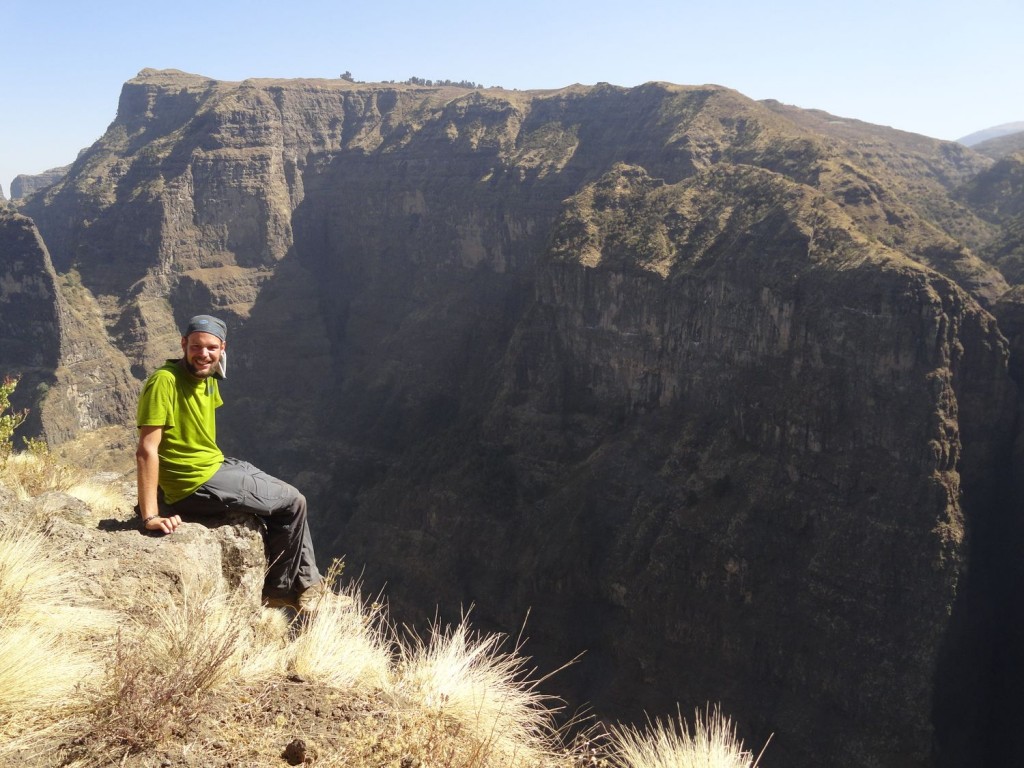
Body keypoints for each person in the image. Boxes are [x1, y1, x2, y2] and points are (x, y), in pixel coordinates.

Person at [135, 314, 329, 612]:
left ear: (223, 348)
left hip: (214, 463)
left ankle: (309, 584)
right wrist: (151, 515)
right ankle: (280, 590)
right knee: (294, 502)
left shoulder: (209, 374)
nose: (203, 354)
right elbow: (147, 450)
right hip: (194, 481)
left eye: (212, 348)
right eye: (196, 347)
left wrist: (213, 364)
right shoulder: (164, 382)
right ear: (183, 344)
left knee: (279, 492)